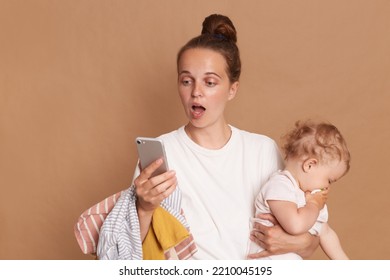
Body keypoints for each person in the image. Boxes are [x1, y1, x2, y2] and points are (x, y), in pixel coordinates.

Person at [95, 14, 319, 260]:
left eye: (210, 82)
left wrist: (298, 242)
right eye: (186, 81)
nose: (196, 92)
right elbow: (126, 256)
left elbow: (310, 240)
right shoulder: (162, 153)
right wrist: (145, 208)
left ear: (232, 89)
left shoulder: (263, 150)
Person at [248, 120, 350, 260]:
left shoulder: (308, 198)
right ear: (309, 165)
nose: (327, 187)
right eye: (329, 180)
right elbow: (295, 225)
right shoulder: (280, 185)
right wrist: (314, 204)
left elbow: (325, 233)